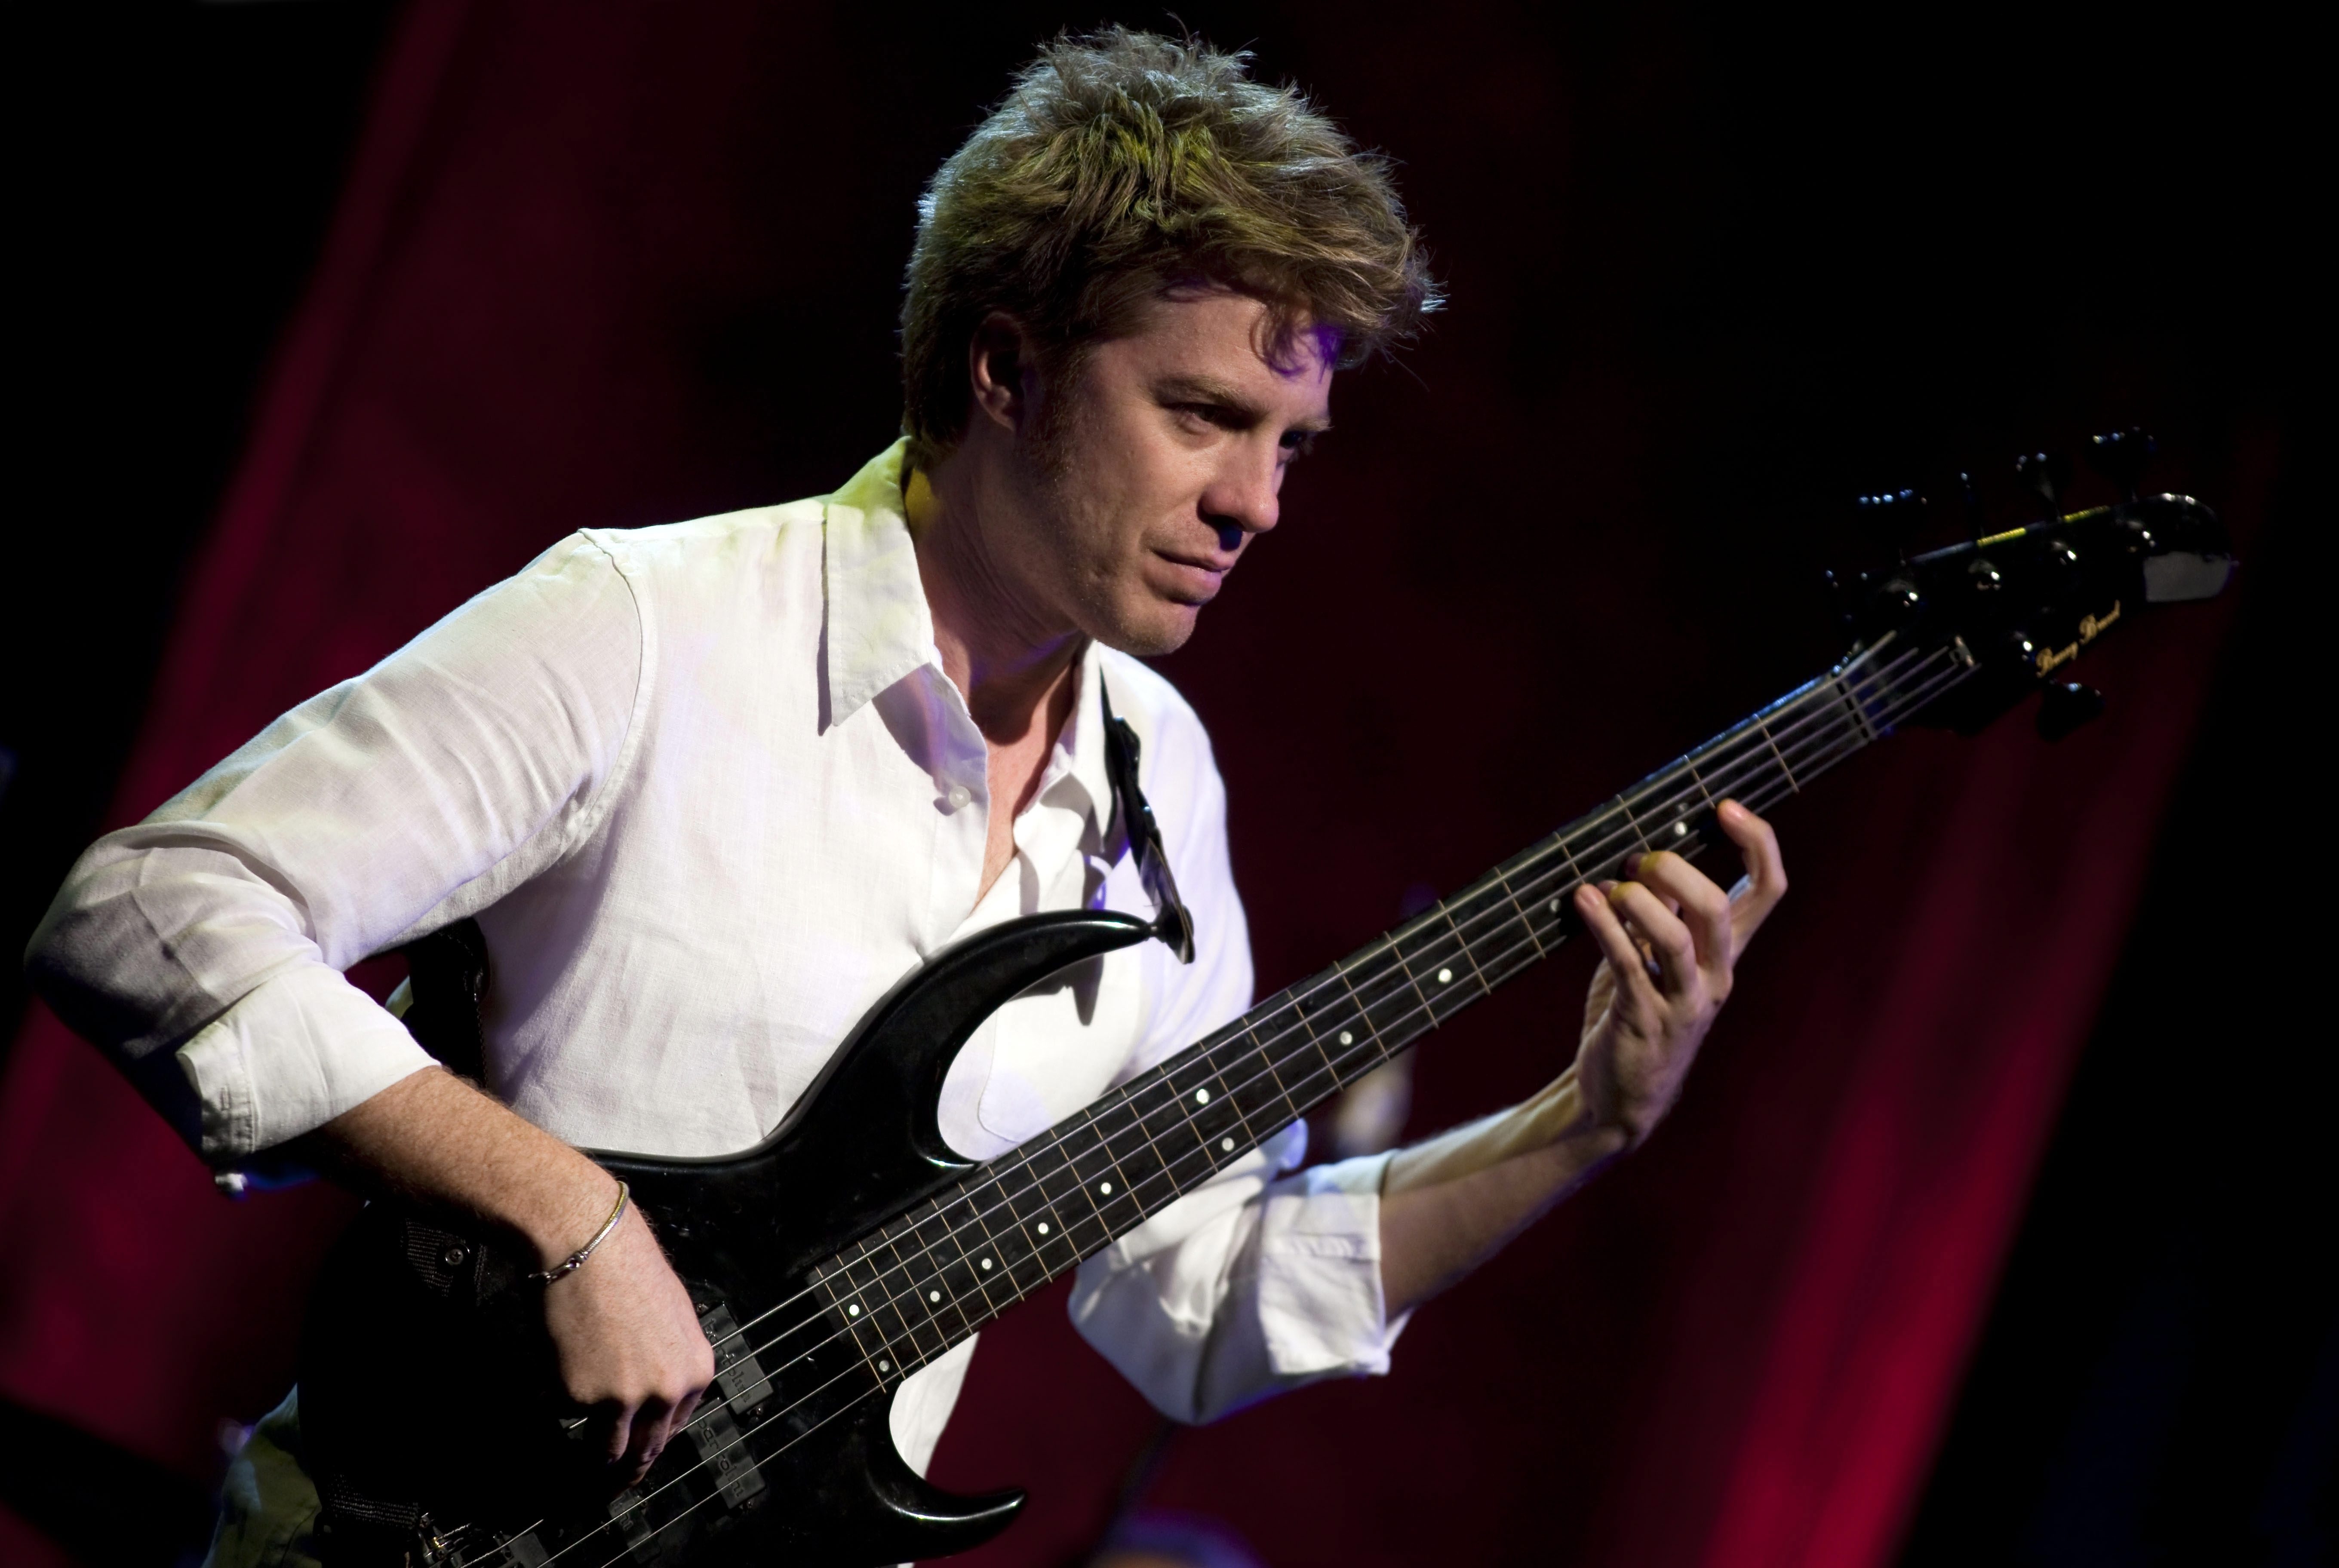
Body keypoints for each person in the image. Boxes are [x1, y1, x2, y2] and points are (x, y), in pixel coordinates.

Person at [27, 28, 1785, 1565]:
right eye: (1201, 416)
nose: (1258, 502)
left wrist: (1585, 1122)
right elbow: (152, 913)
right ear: (1005, 368)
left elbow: (1200, 1299)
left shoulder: (1162, 782)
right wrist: (567, 1213)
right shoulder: (653, 626)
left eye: (1290, 444)